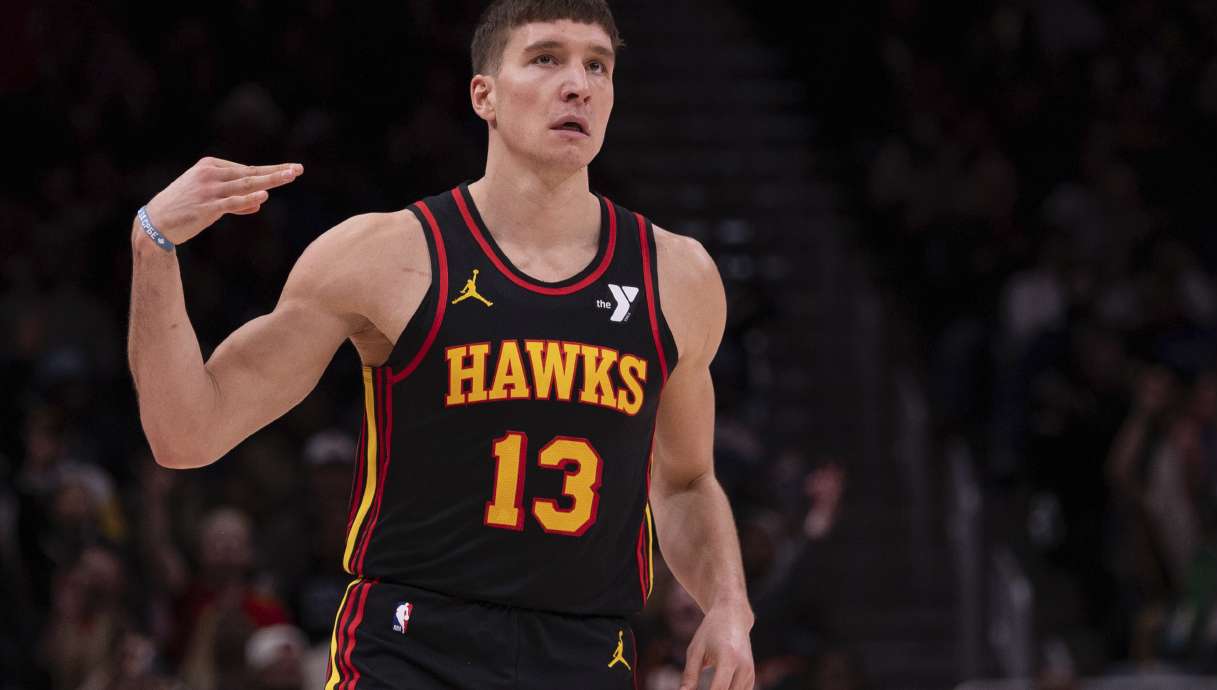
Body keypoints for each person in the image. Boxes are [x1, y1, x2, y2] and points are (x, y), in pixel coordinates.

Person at [126, 1, 755, 688]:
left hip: (585, 656)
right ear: (483, 93)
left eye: (597, 66)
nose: (578, 83)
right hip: (409, 650)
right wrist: (153, 245)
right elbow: (185, 433)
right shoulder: (383, 256)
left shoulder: (678, 275)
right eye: (546, 58)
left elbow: (687, 480)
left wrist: (728, 604)